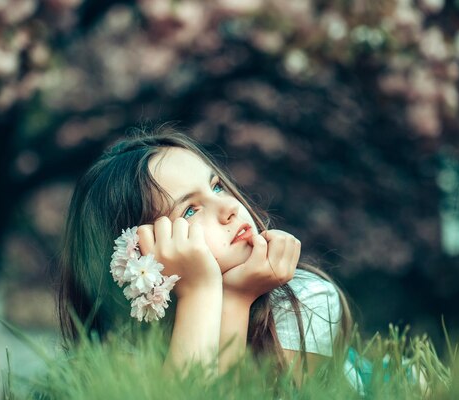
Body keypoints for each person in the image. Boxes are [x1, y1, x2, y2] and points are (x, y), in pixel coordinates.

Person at [58, 128, 352, 381]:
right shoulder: (122, 346)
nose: (230, 208)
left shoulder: (302, 299)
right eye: (189, 210)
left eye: (217, 186)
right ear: (138, 254)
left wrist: (237, 296)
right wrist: (199, 292)